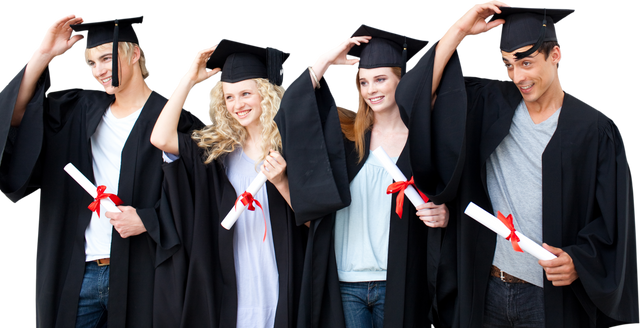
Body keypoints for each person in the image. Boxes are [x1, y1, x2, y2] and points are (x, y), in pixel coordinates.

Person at [405, 2, 639, 327]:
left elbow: (613, 223)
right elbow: (416, 96)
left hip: (548, 298)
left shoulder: (594, 128)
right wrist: (460, 28)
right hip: (486, 287)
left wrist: (579, 261)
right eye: (508, 65)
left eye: (526, 62)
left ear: (556, 54)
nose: (518, 76)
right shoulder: (491, 102)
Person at [0, 13, 200, 328]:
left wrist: (148, 219)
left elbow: (201, 197)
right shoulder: (77, 108)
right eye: (91, 64)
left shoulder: (176, 120)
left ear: (134, 53)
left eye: (106, 58)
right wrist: (43, 53)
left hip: (144, 270)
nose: (98, 72)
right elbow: (16, 114)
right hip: (78, 270)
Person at [274, 22, 449, 328]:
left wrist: (442, 213)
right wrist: (326, 60)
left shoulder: (424, 140)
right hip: (346, 282)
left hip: (399, 281)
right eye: (364, 82)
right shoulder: (346, 137)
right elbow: (294, 111)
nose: (371, 90)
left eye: (380, 79)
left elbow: (450, 196)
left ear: (401, 80)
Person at [150, 36, 307, 328]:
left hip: (280, 271)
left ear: (266, 93)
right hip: (232, 273)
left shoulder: (292, 147)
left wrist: (282, 182)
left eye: (246, 94)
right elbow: (160, 138)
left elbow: (314, 223)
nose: (238, 104)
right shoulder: (219, 151)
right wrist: (187, 79)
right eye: (229, 97)